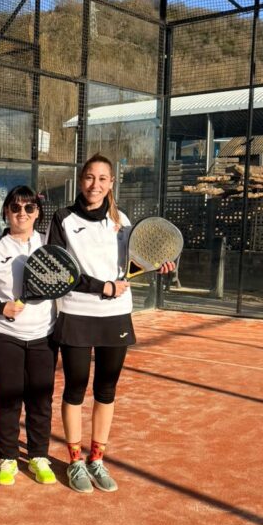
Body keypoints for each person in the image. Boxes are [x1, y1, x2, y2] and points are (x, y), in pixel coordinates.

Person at [47, 154, 175, 494]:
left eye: (103, 178)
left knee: (106, 390)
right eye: (90, 177)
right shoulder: (63, 218)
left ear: (111, 183)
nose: (95, 184)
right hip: (76, 313)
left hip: (115, 316)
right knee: (75, 388)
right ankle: (75, 461)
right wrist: (100, 287)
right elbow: (58, 269)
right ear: (81, 180)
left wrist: (160, 265)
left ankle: (96, 460)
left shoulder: (123, 220)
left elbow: (138, 260)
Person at [0, 186, 58, 486]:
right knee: (8, 400)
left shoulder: (49, 245)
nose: (22, 213)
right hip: (3, 336)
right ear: (6, 211)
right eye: (15, 207)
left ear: (37, 213)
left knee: (40, 400)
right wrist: (0, 306)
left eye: (29, 207)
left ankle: (38, 456)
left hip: (44, 336)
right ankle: (7, 458)